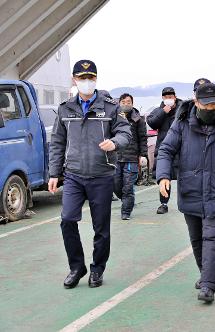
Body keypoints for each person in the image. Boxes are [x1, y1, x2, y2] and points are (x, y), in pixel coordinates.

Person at [156, 82, 215, 303]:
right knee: (196, 238)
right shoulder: (183, 122)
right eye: (206, 105)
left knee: (213, 236)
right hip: (190, 188)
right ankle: (205, 272)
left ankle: (208, 285)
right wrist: (163, 176)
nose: (211, 108)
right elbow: (166, 149)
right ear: (196, 102)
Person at [48, 60, 131, 289]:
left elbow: (125, 133)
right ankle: (77, 267)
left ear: (96, 79)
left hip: (102, 175)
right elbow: (57, 142)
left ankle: (97, 269)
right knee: (67, 220)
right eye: (82, 78)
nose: (86, 82)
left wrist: (114, 143)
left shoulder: (111, 108)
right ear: (74, 80)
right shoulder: (65, 109)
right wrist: (54, 173)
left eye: (90, 78)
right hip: (73, 175)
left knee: (101, 227)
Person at [146, 87, 182, 214]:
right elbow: (151, 122)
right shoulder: (159, 110)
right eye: (166, 97)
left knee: (185, 176)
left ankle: (187, 203)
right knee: (165, 177)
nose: (168, 99)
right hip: (165, 148)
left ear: (175, 96)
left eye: (170, 96)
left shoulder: (183, 109)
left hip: (182, 148)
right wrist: (163, 112)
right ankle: (163, 203)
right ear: (162, 98)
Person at [113, 93, 148, 220]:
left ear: (132, 104)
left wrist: (143, 155)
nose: (126, 104)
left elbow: (143, 138)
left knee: (128, 186)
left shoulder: (138, 119)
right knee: (116, 185)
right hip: (116, 156)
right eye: (123, 102)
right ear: (119, 103)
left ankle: (126, 211)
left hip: (131, 157)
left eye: (128, 102)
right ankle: (127, 200)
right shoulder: (115, 117)